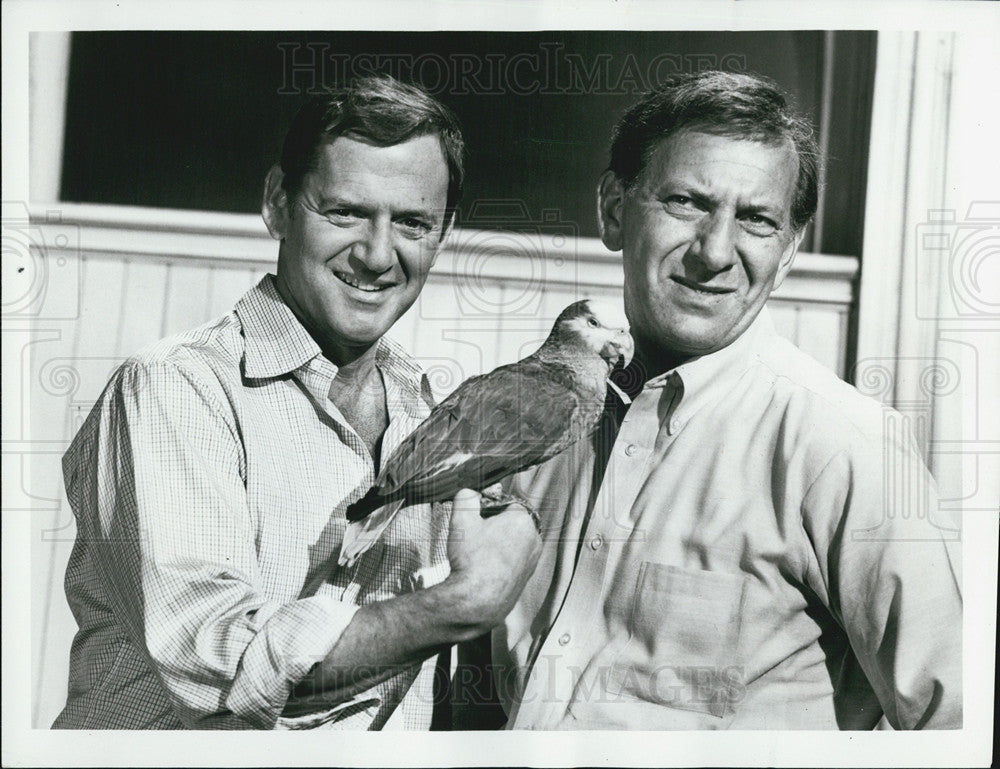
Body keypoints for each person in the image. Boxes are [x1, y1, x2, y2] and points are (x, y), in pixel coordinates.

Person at [53, 75, 541, 730]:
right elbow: (223, 667)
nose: (376, 254)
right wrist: (459, 603)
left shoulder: (429, 407)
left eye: (413, 223)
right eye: (345, 212)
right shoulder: (174, 389)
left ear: (445, 230)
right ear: (277, 203)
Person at [493, 71, 962, 730]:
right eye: (686, 201)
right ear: (612, 209)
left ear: (790, 248)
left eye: (756, 218)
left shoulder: (847, 446)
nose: (715, 251)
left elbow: (956, 725)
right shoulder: (535, 423)